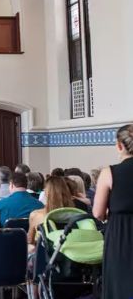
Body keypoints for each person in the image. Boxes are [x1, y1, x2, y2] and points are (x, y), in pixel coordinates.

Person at [93, 124, 133, 299]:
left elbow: (98, 213)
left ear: (119, 145)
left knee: (120, 283)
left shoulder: (109, 173)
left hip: (121, 234)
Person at [27, 176, 74, 246]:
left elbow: (30, 241)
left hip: (46, 255)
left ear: (46, 193)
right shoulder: (76, 215)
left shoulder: (36, 215)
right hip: (71, 253)